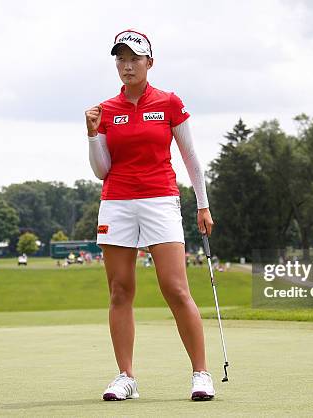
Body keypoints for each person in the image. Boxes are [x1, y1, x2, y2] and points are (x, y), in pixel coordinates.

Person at [85, 29, 215, 402]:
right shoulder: (105, 110)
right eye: (120, 59)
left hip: (160, 199)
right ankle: (126, 377)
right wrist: (93, 135)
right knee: (120, 291)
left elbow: (190, 157)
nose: (126, 66)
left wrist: (202, 204)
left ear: (149, 63)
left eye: (134, 59)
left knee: (175, 288)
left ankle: (200, 373)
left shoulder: (169, 103)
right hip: (117, 202)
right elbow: (101, 169)